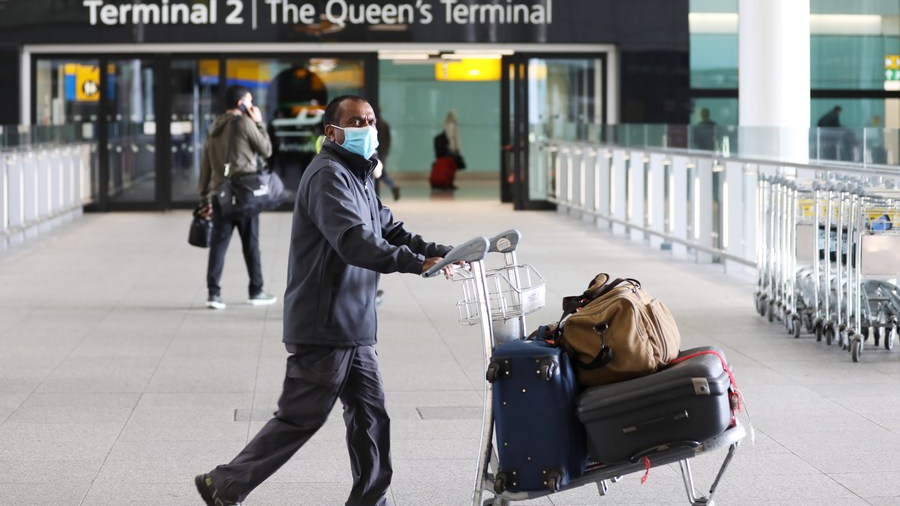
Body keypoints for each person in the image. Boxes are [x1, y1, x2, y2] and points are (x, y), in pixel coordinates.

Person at [194, 95, 457, 506]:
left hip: (352, 325)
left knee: (371, 417)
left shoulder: (359, 176)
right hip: (325, 324)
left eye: (370, 120)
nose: (367, 128)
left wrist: (442, 251)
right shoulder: (328, 176)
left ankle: (370, 501)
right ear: (332, 132)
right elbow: (355, 242)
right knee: (301, 418)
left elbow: (389, 229)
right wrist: (415, 264)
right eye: (356, 121)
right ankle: (223, 483)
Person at [197, 84, 278, 310]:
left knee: (219, 244)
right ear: (241, 103)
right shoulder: (245, 123)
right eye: (249, 102)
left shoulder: (214, 126)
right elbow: (266, 150)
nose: (252, 106)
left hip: (220, 192)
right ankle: (256, 290)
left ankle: (213, 294)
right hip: (244, 194)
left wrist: (204, 197)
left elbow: (205, 166)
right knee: (251, 243)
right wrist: (259, 122)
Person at [430, 109, 463, 190]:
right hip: (450, 149)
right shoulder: (452, 124)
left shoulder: (446, 124)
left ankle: (448, 181)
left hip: (446, 150)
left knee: (450, 165)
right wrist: (454, 148)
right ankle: (449, 182)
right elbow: (451, 138)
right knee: (456, 163)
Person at [375, 108, 401, 201]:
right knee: (380, 172)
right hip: (383, 152)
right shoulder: (385, 124)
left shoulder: (375, 124)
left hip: (378, 152)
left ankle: (392, 186)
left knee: (378, 172)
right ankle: (392, 186)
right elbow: (389, 140)